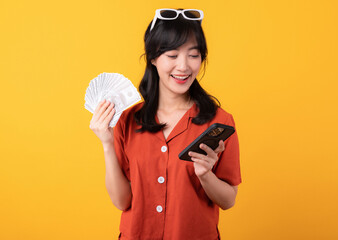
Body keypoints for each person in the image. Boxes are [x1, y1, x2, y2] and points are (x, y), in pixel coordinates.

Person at [89, 8, 242, 240]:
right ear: (153, 58)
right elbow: (122, 202)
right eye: (172, 55)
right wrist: (107, 144)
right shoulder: (127, 120)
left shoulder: (220, 121)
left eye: (193, 55)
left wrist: (205, 174)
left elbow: (228, 200)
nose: (183, 66)